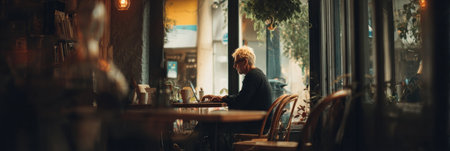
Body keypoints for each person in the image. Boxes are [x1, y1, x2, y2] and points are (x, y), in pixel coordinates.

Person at [186, 46, 272, 151]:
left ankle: (187, 146)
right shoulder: (257, 74)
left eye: (236, 63)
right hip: (258, 123)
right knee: (211, 123)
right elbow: (242, 98)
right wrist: (222, 98)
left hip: (255, 126)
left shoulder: (252, 76)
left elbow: (240, 102)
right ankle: (188, 146)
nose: (234, 66)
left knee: (211, 123)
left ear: (245, 61)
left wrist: (223, 98)